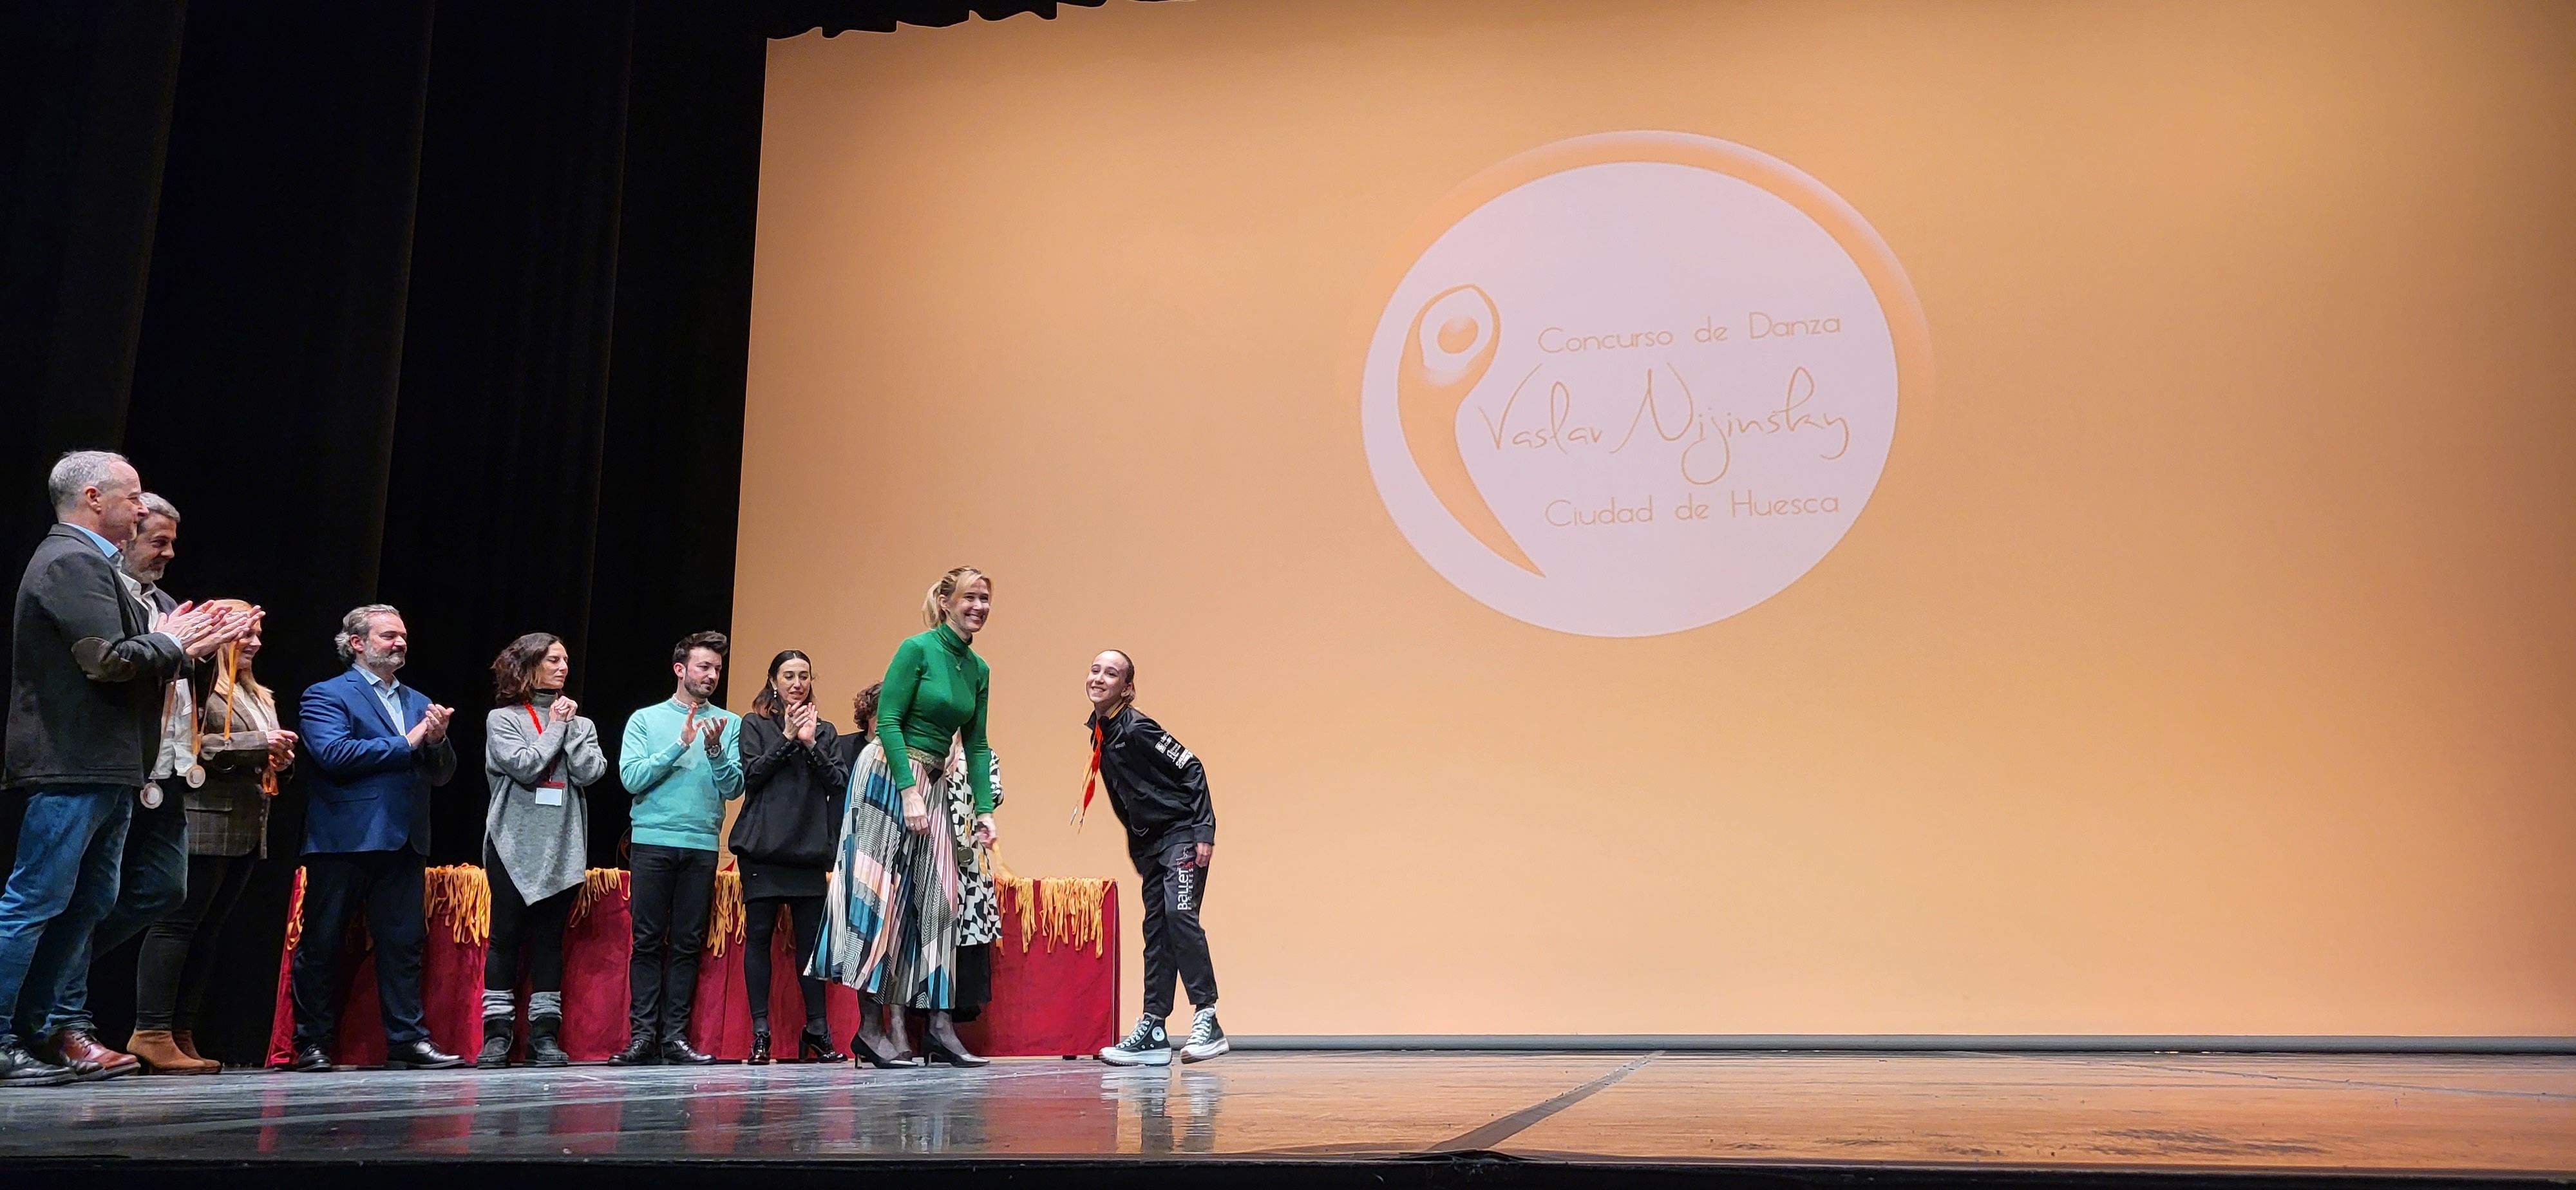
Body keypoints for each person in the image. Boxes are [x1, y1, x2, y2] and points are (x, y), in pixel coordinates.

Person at [2, 452, 243, 1086]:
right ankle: (5, 1036)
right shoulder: (71, 561)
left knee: (88, 903)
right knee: (36, 901)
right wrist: (177, 640)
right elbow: (107, 661)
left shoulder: (95, 565)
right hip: (73, 762)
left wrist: (177, 641)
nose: (140, 509)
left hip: (110, 765)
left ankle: (48, 1029)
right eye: (132, 497)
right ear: (92, 498)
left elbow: (134, 657)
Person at [813, 566, 999, 1068]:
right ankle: (870, 1029)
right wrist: (908, 790)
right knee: (877, 898)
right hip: (888, 777)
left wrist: (984, 809)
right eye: (970, 597)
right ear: (946, 602)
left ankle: (939, 1027)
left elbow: (977, 744)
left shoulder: (978, 669)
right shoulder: (916, 649)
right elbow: (889, 722)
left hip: (934, 782)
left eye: (985, 598)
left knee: (941, 901)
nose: (979, 607)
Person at [285, 604, 463, 1072]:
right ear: (357, 643)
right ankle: (312, 1043)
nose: (400, 643)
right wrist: (409, 741)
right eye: (388, 635)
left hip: (404, 840)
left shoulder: (418, 700)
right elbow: (334, 754)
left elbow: (442, 774)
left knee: (403, 946)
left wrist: (437, 741)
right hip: (344, 839)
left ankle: (407, 1040)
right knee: (323, 944)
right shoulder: (326, 694)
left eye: (403, 635)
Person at [128, 599, 294, 1073]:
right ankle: (151, 1030)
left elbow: (261, 753)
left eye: (258, 634)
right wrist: (257, 745)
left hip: (245, 825)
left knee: (208, 932)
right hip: (204, 819)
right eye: (246, 634)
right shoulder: (199, 688)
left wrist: (280, 758)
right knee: (177, 926)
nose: (255, 643)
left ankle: (181, 1031)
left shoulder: (258, 694)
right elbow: (190, 746)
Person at [1085, 650, 1227, 1066]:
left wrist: (1204, 830)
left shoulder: (1137, 727)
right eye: (1095, 670)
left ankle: (1208, 1018)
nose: (1099, 678)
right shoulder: (1102, 732)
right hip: (1152, 848)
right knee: (1157, 930)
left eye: (1111, 674)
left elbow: (1191, 766)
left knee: (1180, 915)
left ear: (1127, 688)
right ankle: (1154, 1029)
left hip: (1182, 835)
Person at [477, 633, 607, 1069]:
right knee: (506, 937)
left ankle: (544, 1036)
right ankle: (497, 1035)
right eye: (553, 660)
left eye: (565, 660)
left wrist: (569, 728)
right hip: (511, 843)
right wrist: (555, 726)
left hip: (562, 844)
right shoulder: (503, 719)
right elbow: (526, 765)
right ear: (529, 666)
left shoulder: (580, 723)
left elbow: (591, 772)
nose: (563, 667)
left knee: (549, 941)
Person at [613, 630, 741, 1066]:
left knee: (688, 943)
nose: (712, 675)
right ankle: (642, 1037)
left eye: (717, 669)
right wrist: (680, 744)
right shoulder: (645, 720)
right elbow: (632, 779)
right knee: (647, 941)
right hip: (652, 842)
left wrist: (714, 750)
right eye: (704, 667)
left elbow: (733, 787)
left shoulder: (728, 723)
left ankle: (674, 1038)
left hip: (701, 845)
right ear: (680, 669)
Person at [730, 650, 848, 1065]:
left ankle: (817, 1029)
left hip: (808, 852)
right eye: (788, 676)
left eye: (804, 676)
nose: (797, 683)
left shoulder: (826, 730)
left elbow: (838, 782)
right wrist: (786, 738)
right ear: (773, 681)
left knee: (809, 946)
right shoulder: (755, 724)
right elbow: (752, 775)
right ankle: (761, 1033)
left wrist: (810, 743)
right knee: (759, 938)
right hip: (763, 850)